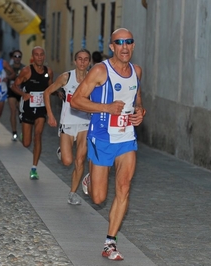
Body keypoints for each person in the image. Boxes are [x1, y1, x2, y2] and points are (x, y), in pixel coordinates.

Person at [71, 28, 146, 260]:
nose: (124, 46)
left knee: (123, 188)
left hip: (126, 138)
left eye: (129, 42)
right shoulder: (100, 70)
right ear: (112, 46)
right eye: (119, 43)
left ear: (133, 46)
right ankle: (91, 177)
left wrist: (140, 112)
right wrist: (105, 107)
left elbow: (137, 99)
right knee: (98, 198)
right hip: (102, 138)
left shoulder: (137, 71)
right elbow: (76, 100)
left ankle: (110, 242)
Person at [43, 49, 91, 205]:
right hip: (67, 124)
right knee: (67, 161)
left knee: (80, 160)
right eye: (80, 59)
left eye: (86, 59)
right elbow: (47, 92)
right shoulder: (66, 77)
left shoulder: (93, 79)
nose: (82, 62)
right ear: (75, 61)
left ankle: (72, 193)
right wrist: (50, 115)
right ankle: (62, 151)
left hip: (85, 123)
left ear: (89, 62)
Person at [11, 46, 53, 180]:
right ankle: (24, 133)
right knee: (26, 143)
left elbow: (50, 87)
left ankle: (34, 168)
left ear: (44, 56)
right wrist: (23, 94)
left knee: (38, 135)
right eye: (37, 55)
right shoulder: (26, 71)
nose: (39, 57)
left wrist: (58, 92)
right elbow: (14, 86)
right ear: (33, 57)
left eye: (42, 54)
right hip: (28, 107)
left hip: (41, 108)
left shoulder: (49, 71)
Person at [7, 50, 25, 141]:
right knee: (13, 111)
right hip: (11, 92)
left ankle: (23, 132)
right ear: (12, 58)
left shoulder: (24, 68)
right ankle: (14, 133)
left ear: (21, 58)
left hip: (21, 92)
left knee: (21, 113)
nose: (17, 58)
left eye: (19, 56)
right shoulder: (9, 68)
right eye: (15, 56)